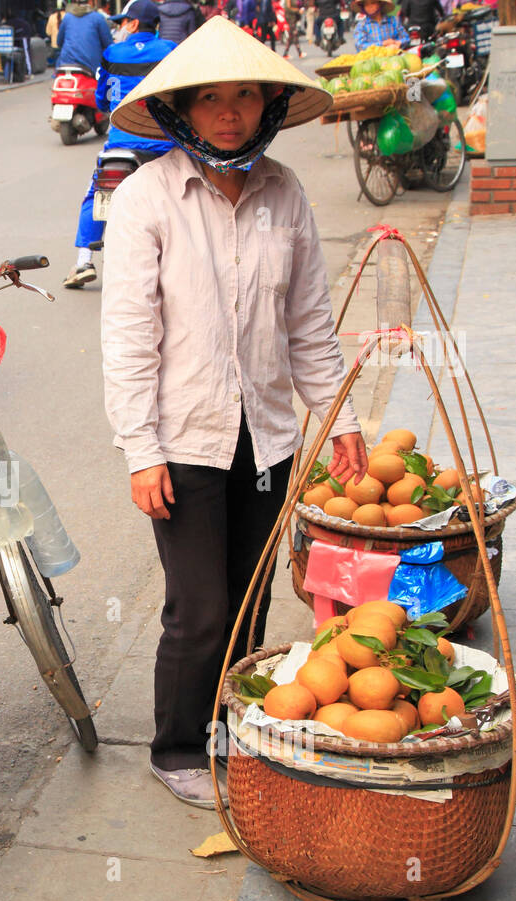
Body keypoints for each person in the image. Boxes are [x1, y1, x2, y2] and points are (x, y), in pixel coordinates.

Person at [101, 16, 367, 808]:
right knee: (200, 606)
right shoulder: (148, 198)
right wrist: (140, 450)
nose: (228, 112)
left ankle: (232, 725)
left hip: (270, 438)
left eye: (244, 95)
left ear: (268, 104)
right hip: (185, 438)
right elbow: (128, 339)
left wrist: (341, 418)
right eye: (210, 98)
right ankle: (177, 745)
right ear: (181, 109)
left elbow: (309, 326)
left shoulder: (285, 192)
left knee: (248, 598)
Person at [64, 0, 175, 288]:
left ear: (134, 24)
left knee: (94, 194)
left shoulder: (112, 53)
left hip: (120, 147)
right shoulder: (170, 51)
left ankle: (84, 261)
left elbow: (101, 101)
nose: (120, 28)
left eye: (123, 22)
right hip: (164, 147)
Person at [57, 1, 113, 73]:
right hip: (91, 68)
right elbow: (109, 45)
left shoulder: (67, 17)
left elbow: (59, 42)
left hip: (65, 65)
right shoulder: (98, 18)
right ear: (91, 2)